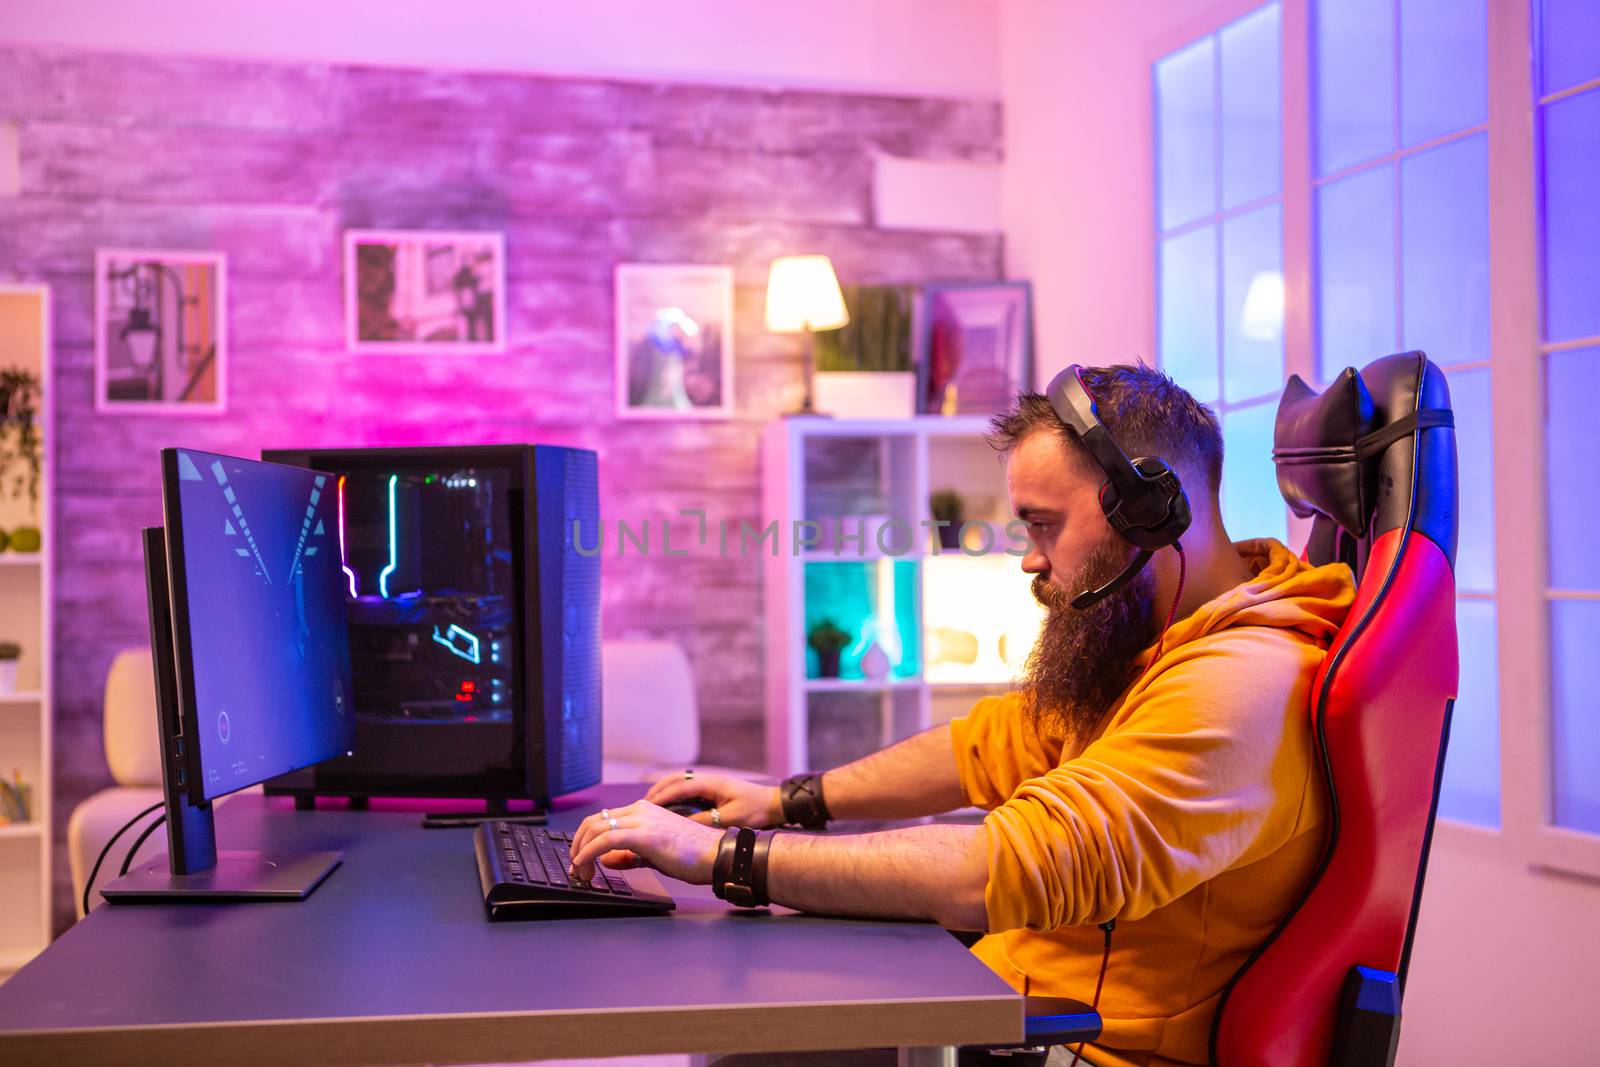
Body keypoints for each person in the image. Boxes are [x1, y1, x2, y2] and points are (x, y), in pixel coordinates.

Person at [568, 364, 1356, 1067]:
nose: (1030, 558)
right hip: (1003, 996)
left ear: (1149, 510)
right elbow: (987, 745)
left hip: (1085, 1043)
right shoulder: (1158, 638)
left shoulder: (1242, 684)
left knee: (750, 1046)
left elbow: (1004, 866)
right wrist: (786, 800)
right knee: (743, 1014)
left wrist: (728, 856)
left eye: (1045, 523)